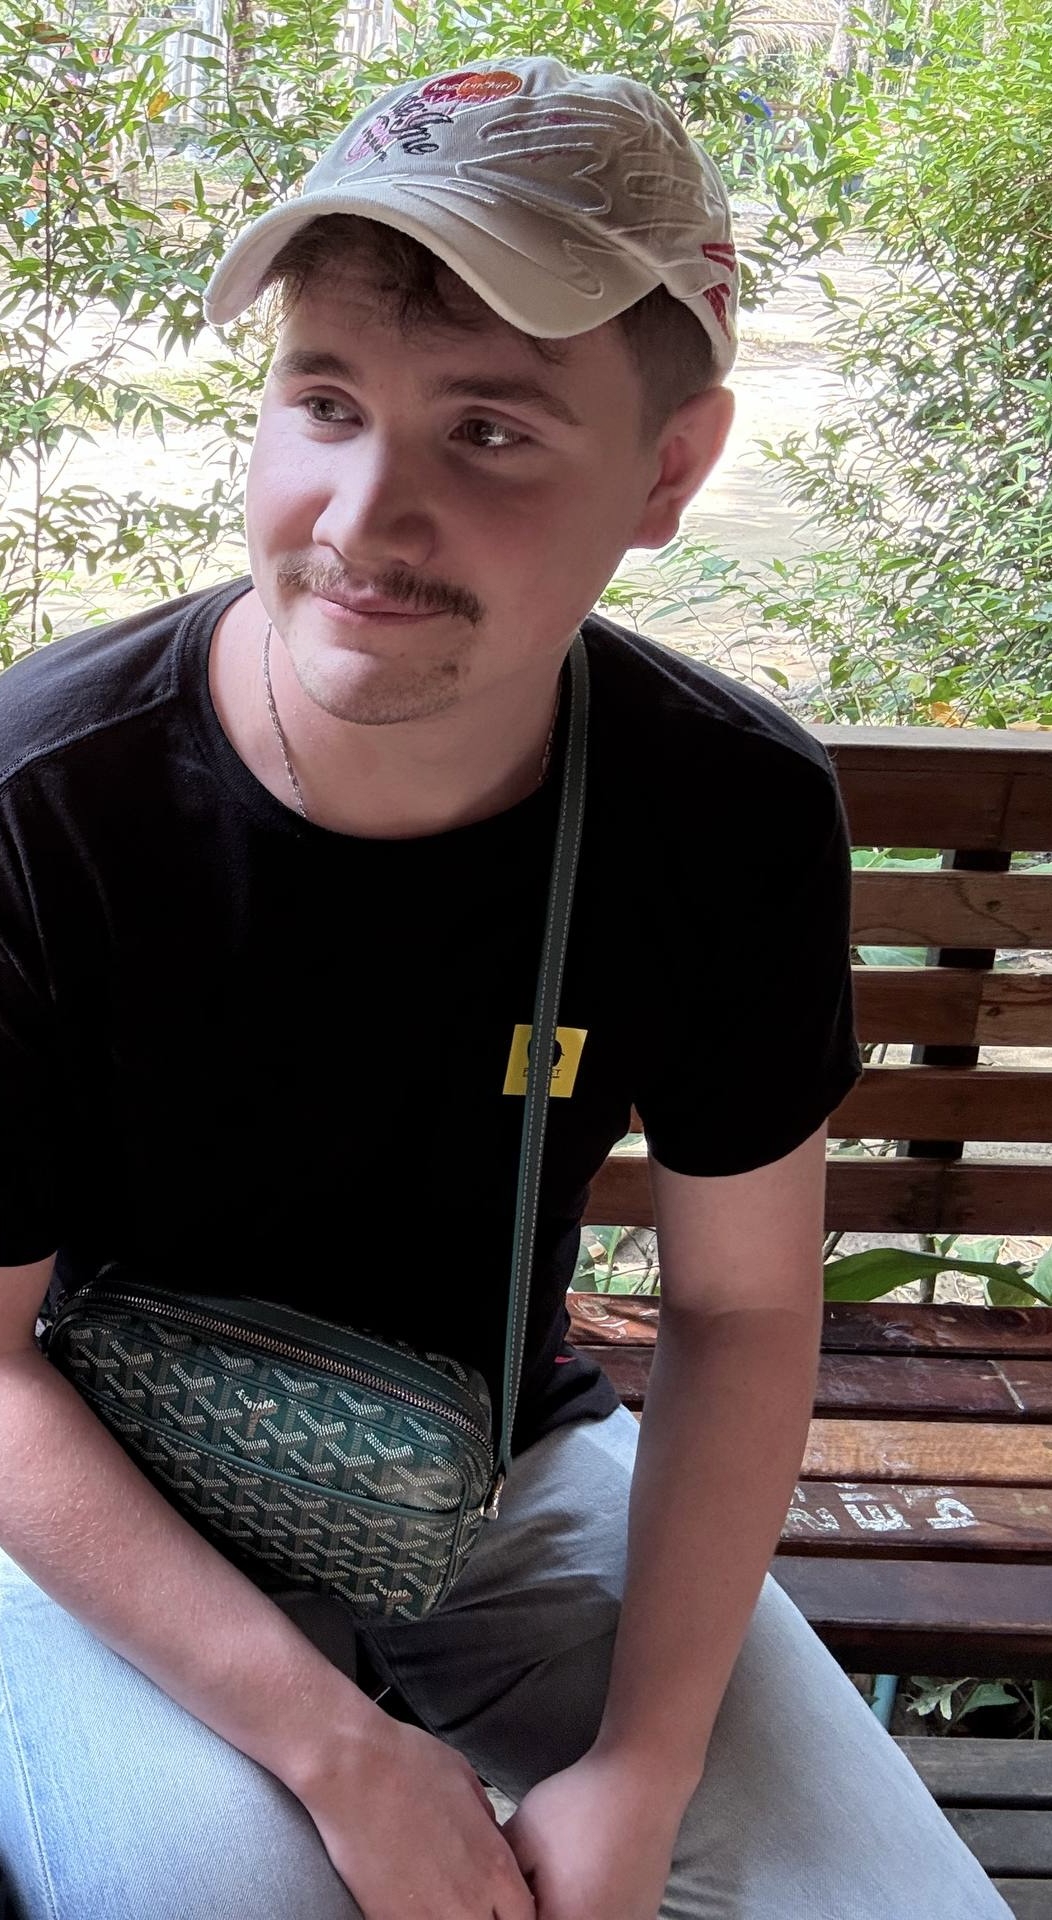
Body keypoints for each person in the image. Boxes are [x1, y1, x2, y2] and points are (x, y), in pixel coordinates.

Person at [0, 56, 1008, 1920]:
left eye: (489, 430)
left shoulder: (722, 811)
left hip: (488, 1464)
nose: (365, 515)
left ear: (670, 468)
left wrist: (647, 1758)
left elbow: (738, 1312)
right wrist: (334, 1748)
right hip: (86, 1495)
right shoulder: (41, 799)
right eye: (326, 403)